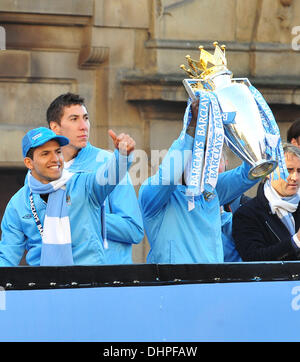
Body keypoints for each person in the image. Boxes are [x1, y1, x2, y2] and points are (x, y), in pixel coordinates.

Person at [138, 100, 260, 264]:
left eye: (205, 154)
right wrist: (193, 127)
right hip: (173, 285)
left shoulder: (210, 188)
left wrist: (244, 126)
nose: (202, 160)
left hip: (212, 284)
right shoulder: (151, 192)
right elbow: (168, 177)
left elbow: (250, 172)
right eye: (194, 152)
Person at [0, 127, 135, 266]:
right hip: (44, 284)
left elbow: (110, 175)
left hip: (90, 282)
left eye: (58, 152)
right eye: (45, 154)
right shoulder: (18, 203)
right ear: (29, 163)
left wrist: (123, 156)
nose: (55, 159)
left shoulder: (83, 184)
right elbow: (7, 257)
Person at [46, 93, 144, 264]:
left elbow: (134, 230)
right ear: (55, 127)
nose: (83, 126)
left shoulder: (108, 163)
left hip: (107, 281)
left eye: (86, 118)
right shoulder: (40, 172)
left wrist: (82, 215)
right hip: (59, 279)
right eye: (74, 119)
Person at [232, 143, 300, 261]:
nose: (295, 177)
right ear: (269, 172)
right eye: (288, 170)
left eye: (299, 171)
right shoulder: (247, 214)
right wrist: (295, 242)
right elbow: (253, 258)